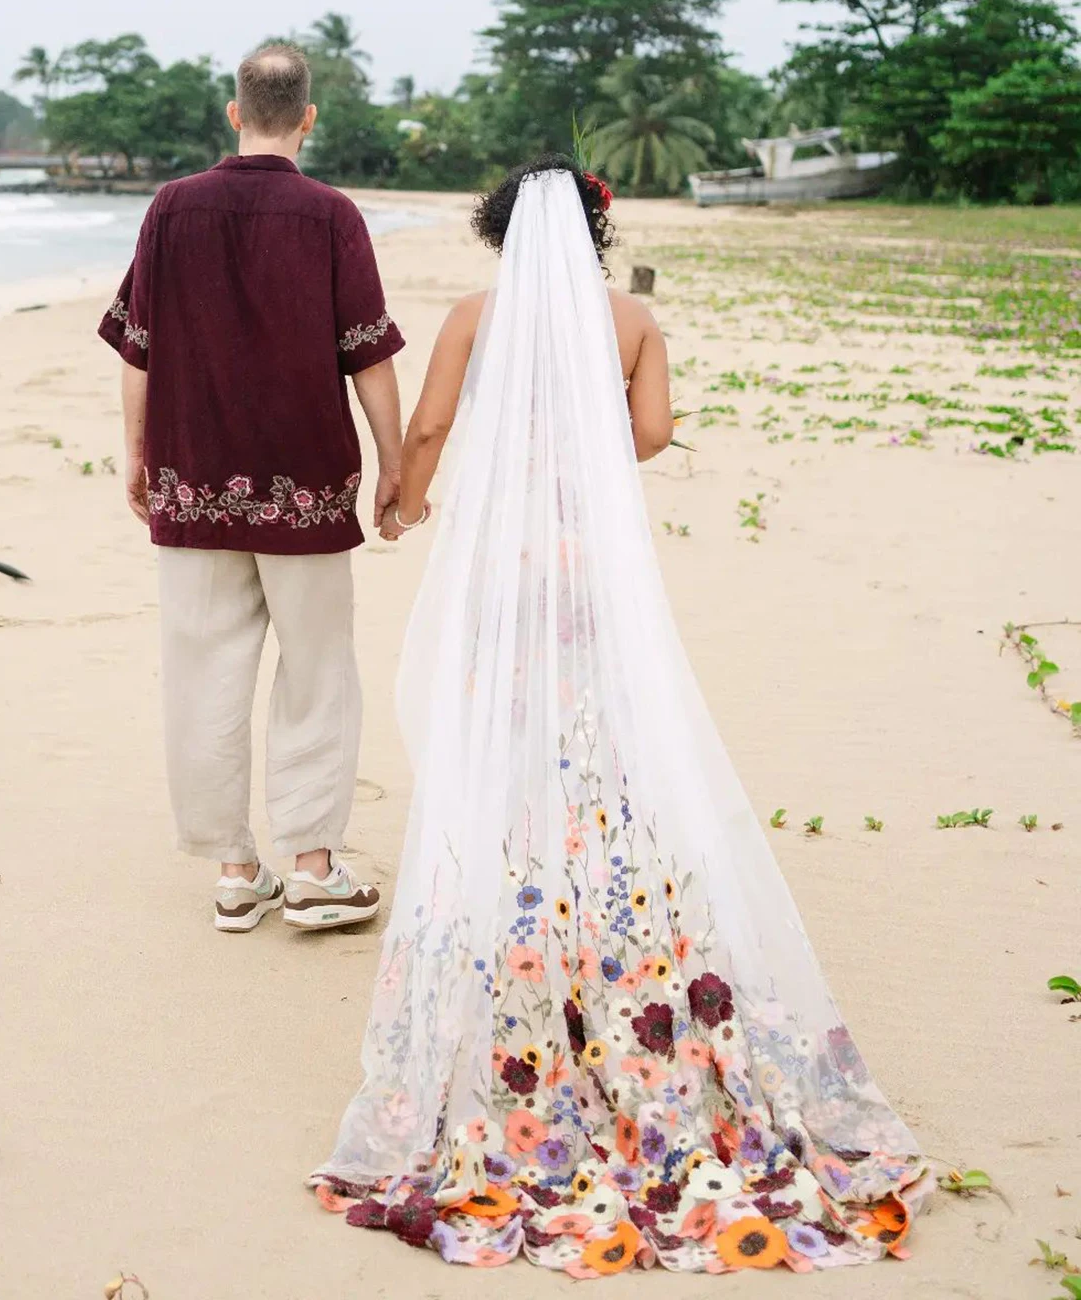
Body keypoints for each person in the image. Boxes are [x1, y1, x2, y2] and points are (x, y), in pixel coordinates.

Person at [311, 156, 931, 1276]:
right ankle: (608, 937)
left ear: (500, 229)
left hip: (504, 567)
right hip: (589, 566)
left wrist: (402, 496)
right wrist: (585, 429)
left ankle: (523, 932)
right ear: (597, 228)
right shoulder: (632, 317)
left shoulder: (469, 315)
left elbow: (430, 429)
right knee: (596, 747)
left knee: (506, 752)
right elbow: (648, 436)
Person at [98, 43, 401, 933]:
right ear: (308, 117)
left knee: (204, 671)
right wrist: (392, 468)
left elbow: (137, 344)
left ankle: (235, 872)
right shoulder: (332, 214)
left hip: (193, 474)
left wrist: (136, 452)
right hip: (307, 481)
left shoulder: (172, 208)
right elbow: (369, 352)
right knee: (318, 672)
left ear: (235, 112)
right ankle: (311, 865)